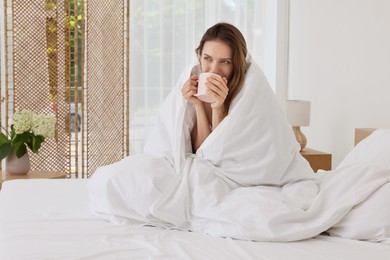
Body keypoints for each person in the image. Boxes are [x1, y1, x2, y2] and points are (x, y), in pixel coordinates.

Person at [181, 23, 248, 152]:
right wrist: (198, 104)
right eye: (207, 58)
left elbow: (220, 154)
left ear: (236, 64)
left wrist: (218, 108)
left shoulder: (244, 95)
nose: (213, 70)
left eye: (225, 62)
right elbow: (202, 152)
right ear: (200, 57)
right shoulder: (194, 81)